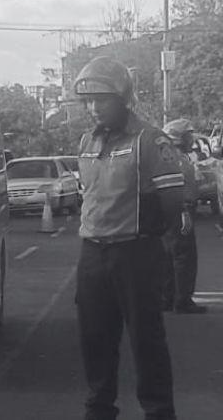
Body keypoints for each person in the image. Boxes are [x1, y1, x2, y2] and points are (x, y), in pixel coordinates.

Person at [73, 56, 183, 420]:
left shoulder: (150, 139)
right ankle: (99, 409)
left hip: (135, 254)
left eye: (101, 100)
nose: (93, 109)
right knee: (95, 340)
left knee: (146, 340)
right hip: (92, 254)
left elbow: (171, 200)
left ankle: (159, 412)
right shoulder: (87, 142)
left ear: (123, 98)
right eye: (88, 102)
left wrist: (155, 236)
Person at [162, 118, 206, 314]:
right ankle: (182, 301)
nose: (191, 140)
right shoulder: (174, 158)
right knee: (183, 256)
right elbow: (174, 188)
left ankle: (169, 298)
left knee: (171, 256)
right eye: (188, 135)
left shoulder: (180, 156)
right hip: (179, 210)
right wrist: (182, 211)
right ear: (178, 138)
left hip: (180, 209)